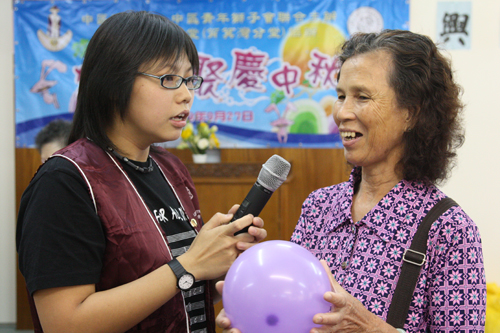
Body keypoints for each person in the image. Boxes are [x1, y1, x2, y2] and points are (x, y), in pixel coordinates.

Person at [216, 29, 486, 332]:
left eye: (362, 97)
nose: (342, 112)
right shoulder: (319, 207)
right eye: (341, 95)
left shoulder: (448, 229)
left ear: (412, 113)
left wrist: (369, 328)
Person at [17, 11, 266, 333]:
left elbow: (171, 288)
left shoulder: (171, 168)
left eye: (190, 80)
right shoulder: (66, 181)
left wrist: (219, 260)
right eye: (169, 79)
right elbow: (65, 324)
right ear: (112, 83)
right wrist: (188, 266)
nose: (186, 94)